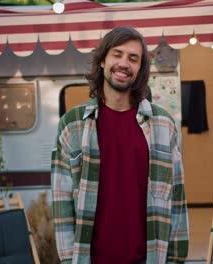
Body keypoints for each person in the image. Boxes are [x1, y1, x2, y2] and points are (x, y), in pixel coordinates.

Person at [52, 26, 188, 264]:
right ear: (103, 60)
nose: (124, 63)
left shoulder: (163, 125)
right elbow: (62, 203)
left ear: (139, 69)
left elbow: (176, 199)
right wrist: (67, 260)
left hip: (148, 259)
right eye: (117, 54)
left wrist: (176, 259)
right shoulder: (72, 125)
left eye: (133, 58)